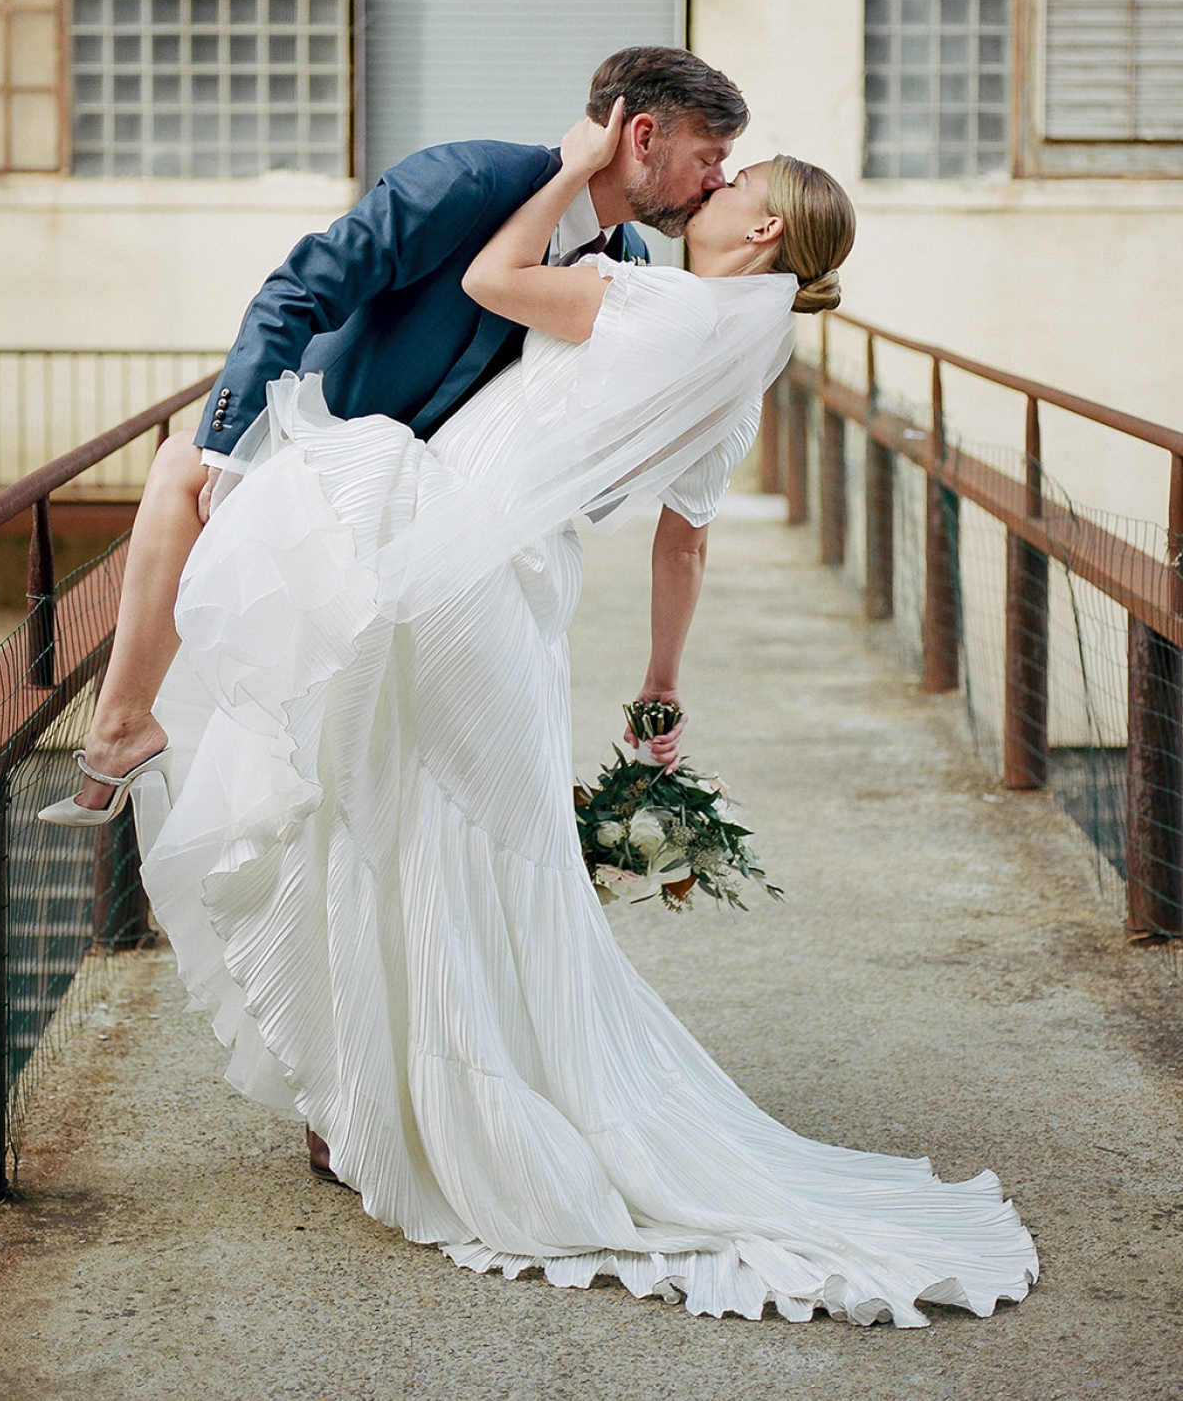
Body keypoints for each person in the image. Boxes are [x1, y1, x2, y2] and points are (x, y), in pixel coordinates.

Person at [121, 112, 1039, 1326]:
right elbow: (685, 538)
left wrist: (563, 167)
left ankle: (393, 1104)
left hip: (446, 559)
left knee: (389, 821)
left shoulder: (651, 302)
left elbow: (490, 281)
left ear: (758, 226)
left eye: (735, 176)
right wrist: (658, 692)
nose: (716, 179)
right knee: (465, 857)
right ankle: (384, 1104)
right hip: (516, 599)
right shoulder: (740, 360)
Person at [38, 46, 745, 825]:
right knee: (187, 460)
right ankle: (126, 728)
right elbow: (298, 290)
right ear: (641, 136)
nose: (715, 180)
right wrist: (233, 452)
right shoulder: (468, 181)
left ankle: (130, 735)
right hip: (340, 445)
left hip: (444, 514)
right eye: (709, 158)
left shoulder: (632, 264)